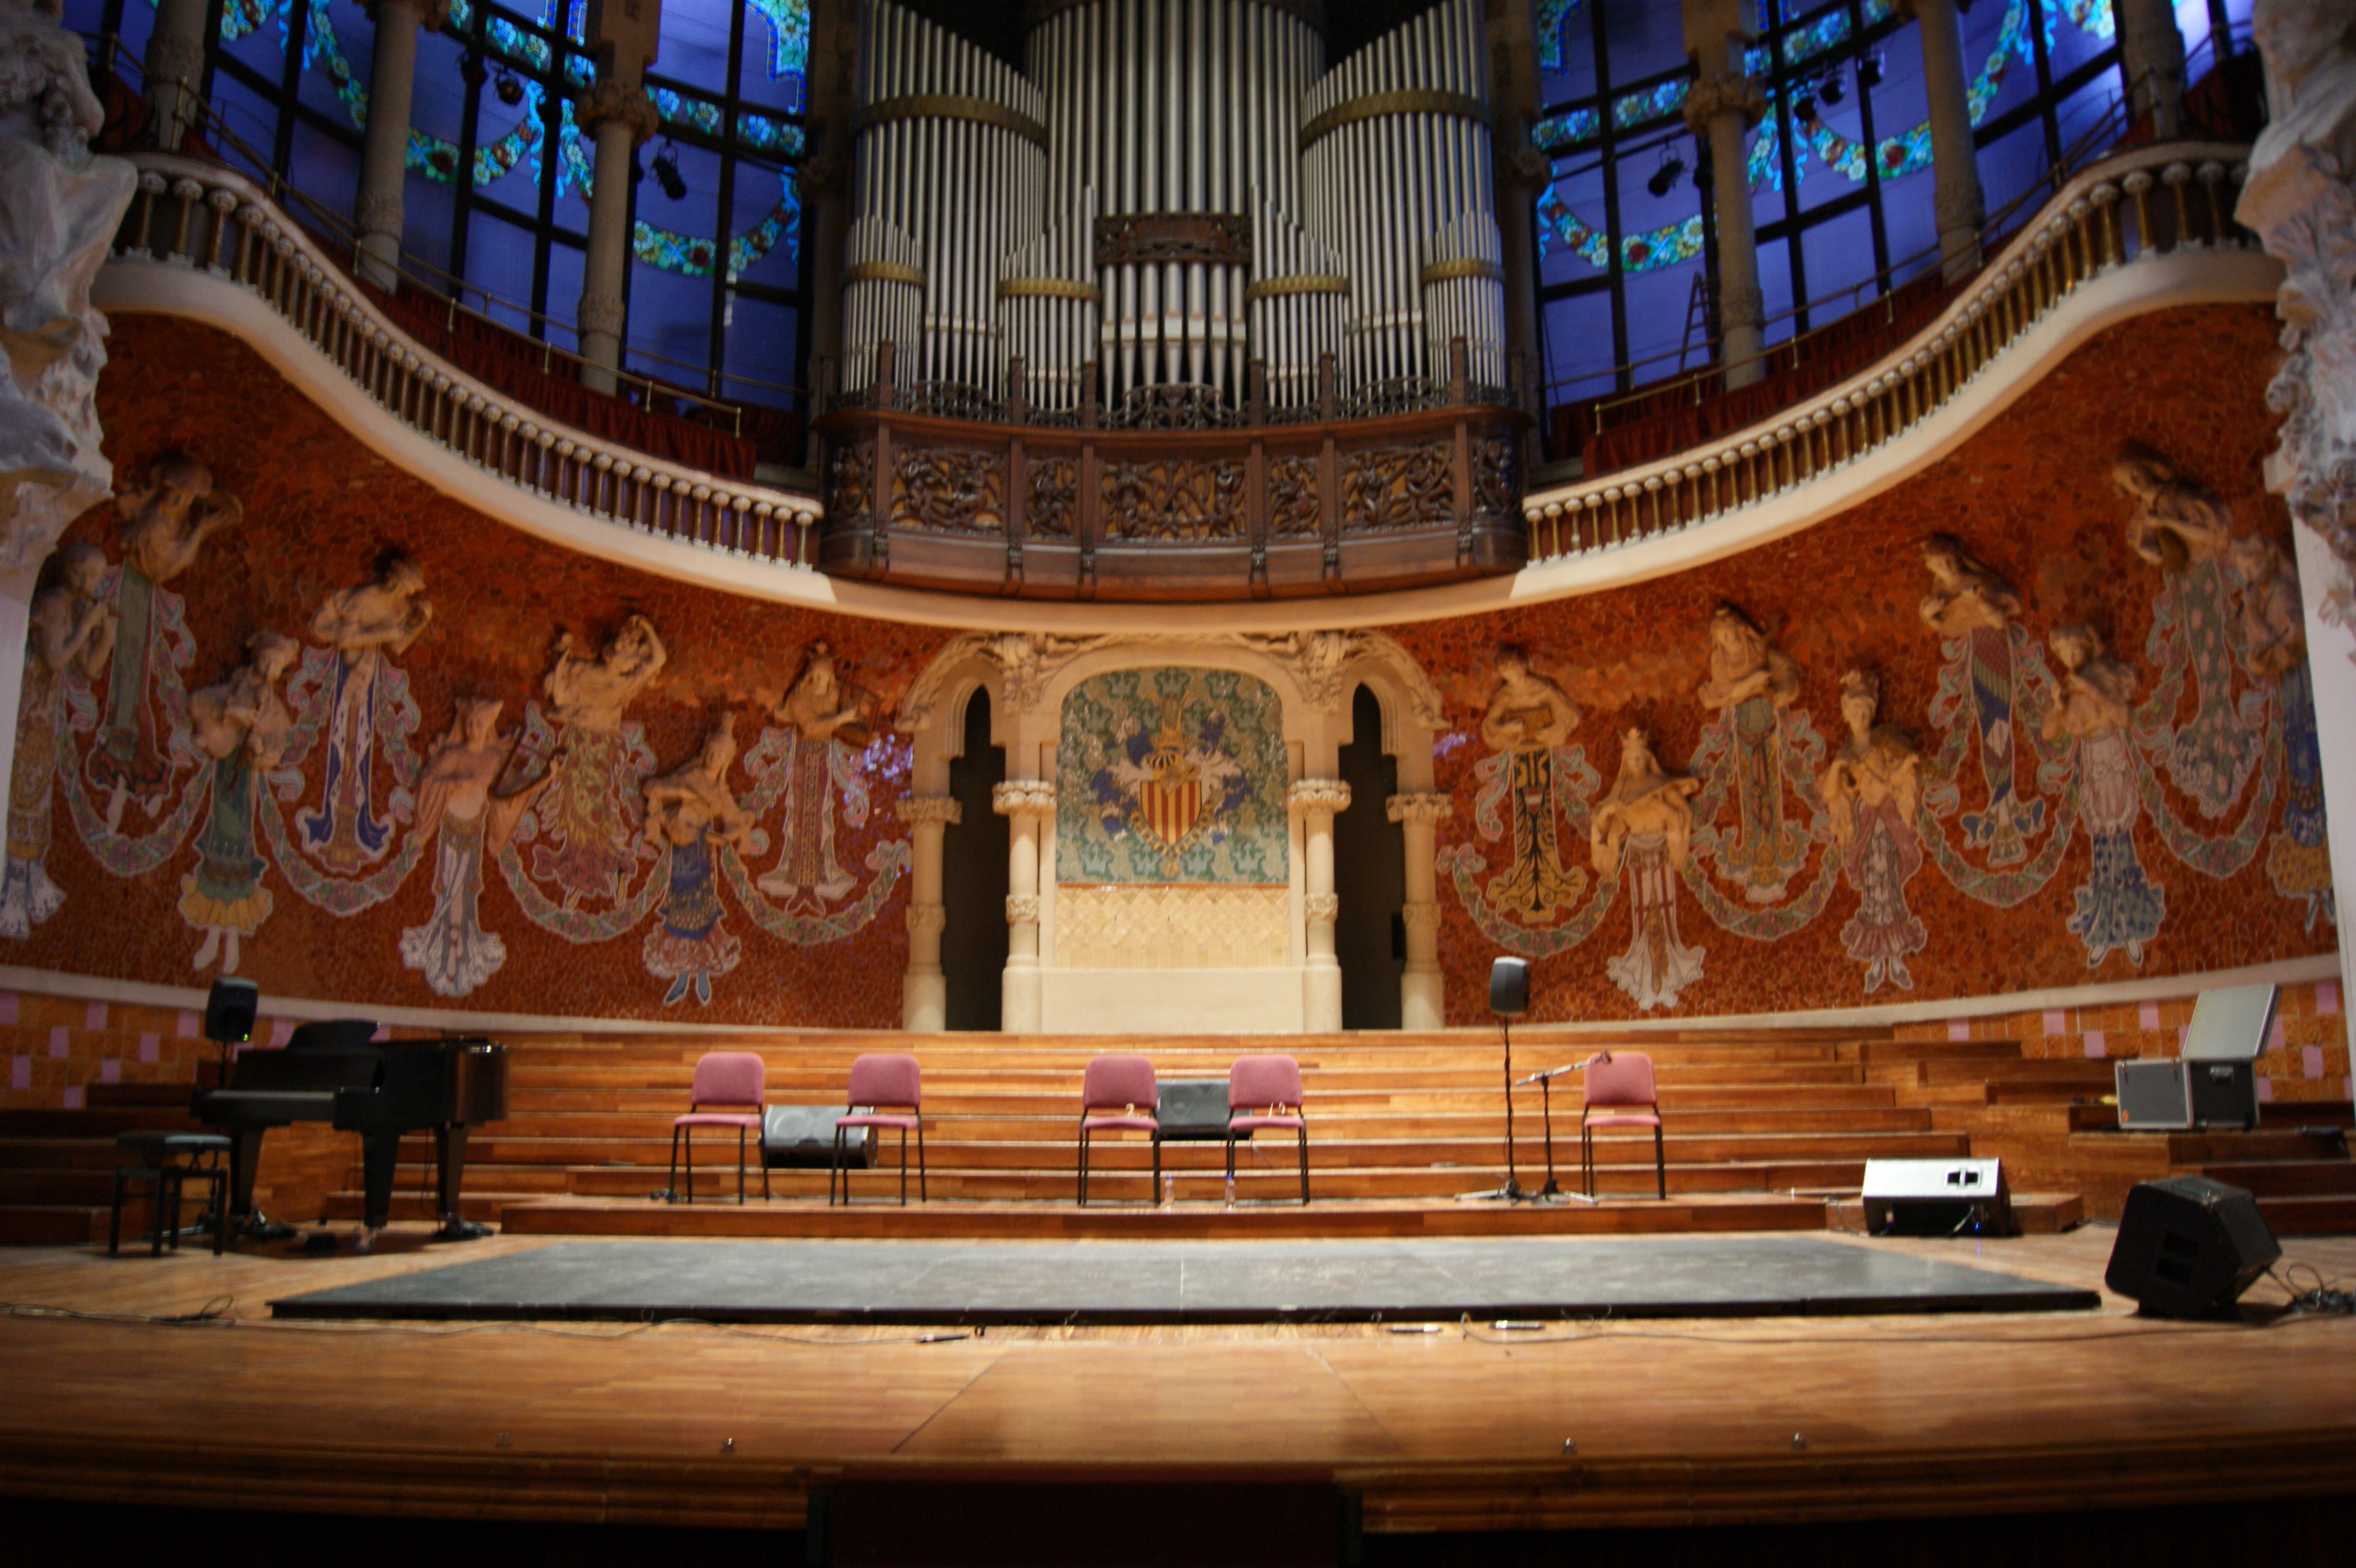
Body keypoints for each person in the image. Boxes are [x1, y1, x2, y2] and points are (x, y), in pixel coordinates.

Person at [398, 699, 551, 998]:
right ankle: (443, 945)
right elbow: (430, 781)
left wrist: (546, 777)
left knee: (467, 892)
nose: (472, 728)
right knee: (448, 889)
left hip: (474, 833)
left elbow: (513, 790)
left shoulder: (494, 759)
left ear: (487, 727)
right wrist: (462, 781)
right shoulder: (454, 755)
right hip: (451, 830)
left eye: (478, 724)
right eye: (469, 723)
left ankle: (462, 949)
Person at [1, 542, 114, 936]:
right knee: (19, 789)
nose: (93, 583)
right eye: (89, 575)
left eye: (97, 576)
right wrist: (84, 626)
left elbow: (89, 666)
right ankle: (10, 885)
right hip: (25, 710)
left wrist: (106, 633)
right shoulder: (52, 606)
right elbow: (54, 658)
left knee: (34, 792)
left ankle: (24, 880)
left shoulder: (75, 609)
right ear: (72, 573)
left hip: (43, 715)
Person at [180, 631, 297, 974]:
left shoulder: (271, 707)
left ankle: (230, 941)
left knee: (239, 860)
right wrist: (232, 715)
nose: (270, 671)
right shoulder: (235, 691)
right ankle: (211, 938)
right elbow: (201, 703)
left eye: (277, 667)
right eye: (267, 663)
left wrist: (261, 751)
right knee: (217, 856)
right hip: (224, 785)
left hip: (244, 791)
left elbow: (276, 744)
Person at [643, 716, 753, 1006]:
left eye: (720, 755)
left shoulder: (719, 791)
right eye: (712, 751)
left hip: (702, 859)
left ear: (726, 760)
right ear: (705, 751)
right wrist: (680, 793)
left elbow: (734, 820)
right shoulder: (689, 777)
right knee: (680, 913)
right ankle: (682, 975)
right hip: (682, 856)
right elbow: (651, 788)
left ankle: (702, 973)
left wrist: (728, 836)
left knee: (704, 915)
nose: (714, 758)